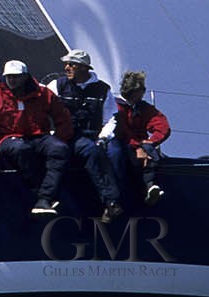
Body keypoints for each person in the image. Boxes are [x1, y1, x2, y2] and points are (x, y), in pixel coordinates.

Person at [0, 59, 73, 216]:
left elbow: (62, 117)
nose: (12, 80)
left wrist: (59, 137)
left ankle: (45, 198)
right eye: (9, 76)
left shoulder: (42, 93)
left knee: (59, 149)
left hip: (38, 136)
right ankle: (41, 194)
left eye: (16, 76)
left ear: (25, 77)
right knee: (21, 149)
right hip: (6, 138)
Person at [45, 49, 122, 222]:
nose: (66, 68)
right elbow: (40, 106)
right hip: (64, 135)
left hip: (91, 136)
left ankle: (112, 202)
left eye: (71, 64)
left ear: (84, 68)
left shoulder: (102, 89)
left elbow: (111, 118)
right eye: (65, 64)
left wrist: (103, 138)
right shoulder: (57, 86)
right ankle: (46, 200)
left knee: (100, 152)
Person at [100, 70, 170, 206]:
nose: (144, 92)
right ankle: (137, 188)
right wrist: (138, 146)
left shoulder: (143, 108)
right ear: (135, 90)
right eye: (142, 89)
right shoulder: (116, 106)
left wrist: (151, 141)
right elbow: (121, 130)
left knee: (149, 151)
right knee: (119, 153)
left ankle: (150, 186)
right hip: (119, 141)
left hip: (139, 144)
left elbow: (162, 126)